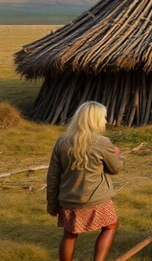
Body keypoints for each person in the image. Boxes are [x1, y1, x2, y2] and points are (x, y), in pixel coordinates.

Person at [46, 101, 123, 261]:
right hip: (97, 200)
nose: (106, 121)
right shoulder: (102, 142)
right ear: (94, 120)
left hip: (69, 200)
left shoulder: (62, 141)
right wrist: (117, 155)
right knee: (110, 226)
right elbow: (115, 169)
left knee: (70, 234)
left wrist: (52, 204)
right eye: (104, 117)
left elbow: (53, 176)